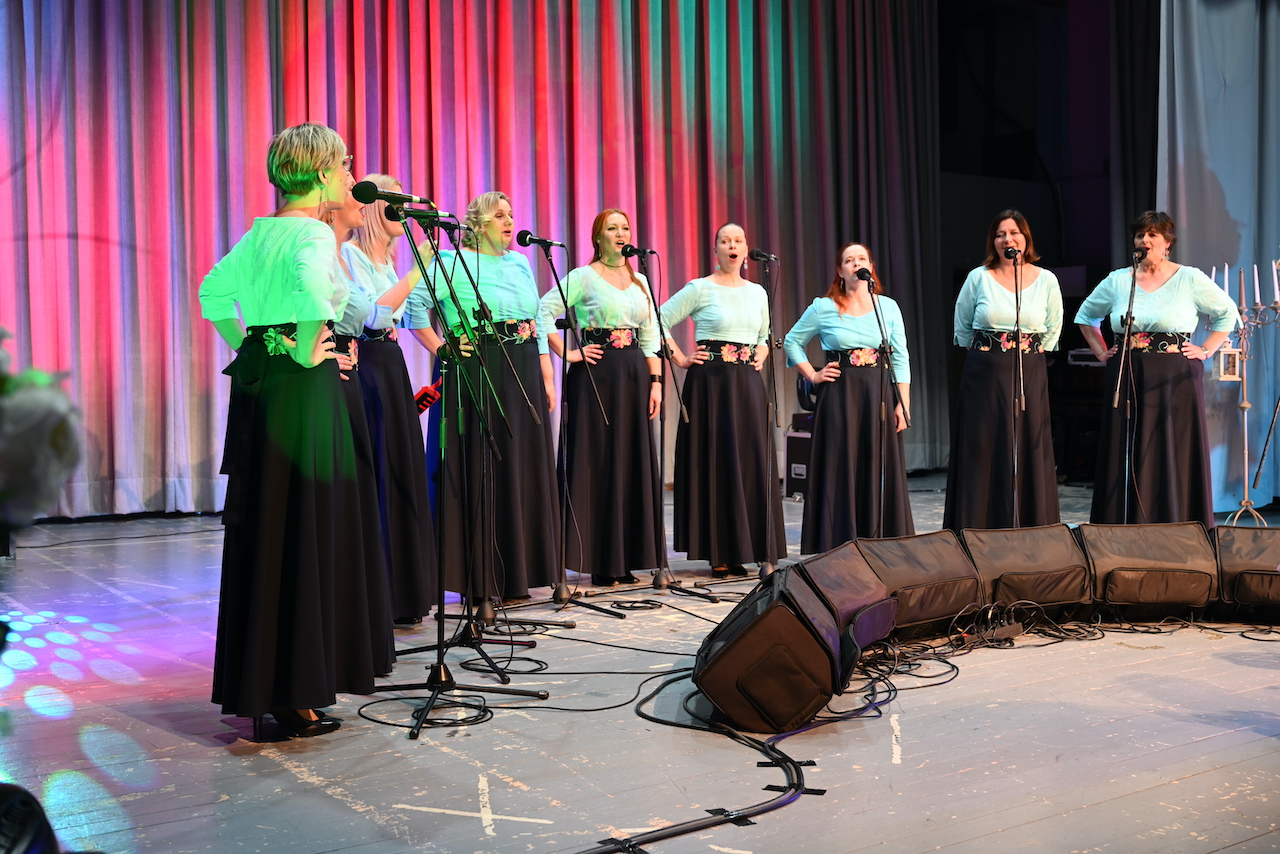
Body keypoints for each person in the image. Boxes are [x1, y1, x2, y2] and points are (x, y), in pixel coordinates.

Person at [198, 122, 392, 738]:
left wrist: (254, 344)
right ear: (321, 172)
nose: (349, 175)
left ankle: (273, 684)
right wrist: (308, 348)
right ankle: (297, 689)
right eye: (344, 165)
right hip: (304, 394)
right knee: (306, 524)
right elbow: (311, 293)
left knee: (271, 526)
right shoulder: (311, 232)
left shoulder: (260, 232)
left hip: (263, 388)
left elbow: (211, 293)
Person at [401, 191, 559, 603]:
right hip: (477, 366)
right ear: (477, 224)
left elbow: (537, 321)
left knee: (519, 465)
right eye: (499, 215)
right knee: (481, 466)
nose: (509, 222)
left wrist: (546, 372)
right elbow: (413, 309)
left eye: (511, 214)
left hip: (523, 367)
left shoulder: (520, 263)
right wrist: (441, 348)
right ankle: (481, 577)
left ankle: (518, 573)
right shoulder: (450, 261)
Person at [1075, 210, 1239, 527]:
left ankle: (1175, 521)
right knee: (1127, 446)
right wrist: (1101, 351)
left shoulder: (1188, 278)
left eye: (1152, 235)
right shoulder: (1119, 281)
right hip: (1128, 371)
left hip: (1174, 376)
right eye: (1140, 235)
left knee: (1171, 448)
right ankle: (1122, 524)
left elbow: (1226, 313)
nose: (1145, 240)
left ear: (1167, 244)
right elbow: (1086, 316)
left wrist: (1206, 349)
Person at [537, 209, 664, 586]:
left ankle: (626, 559)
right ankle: (599, 562)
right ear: (598, 237)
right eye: (612, 228)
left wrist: (656, 382)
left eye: (625, 227)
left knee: (629, 462)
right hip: (596, 377)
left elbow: (650, 335)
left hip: (634, 376)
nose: (621, 233)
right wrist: (567, 353)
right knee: (600, 462)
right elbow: (543, 311)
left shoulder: (641, 281)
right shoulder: (583, 277)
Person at [659, 222, 786, 577]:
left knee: (749, 461)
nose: (732, 245)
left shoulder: (757, 292)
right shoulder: (699, 288)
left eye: (738, 240)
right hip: (710, 386)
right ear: (715, 250)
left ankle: (748, 547)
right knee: (716, 461)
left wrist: (762, 350)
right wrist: (680, 358)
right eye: (725, 240)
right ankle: (718, 549)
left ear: (746, 250)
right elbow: (658, 320)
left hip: (747, 385)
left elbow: (765, 334)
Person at [342, 173, 439, 625]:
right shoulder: (350, 254)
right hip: (366, 365)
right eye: (391, 200)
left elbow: (400, 316)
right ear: (371, 208)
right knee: (379, 470)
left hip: (390, 361)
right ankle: (378, 592)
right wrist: (419, 269)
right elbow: (375, 314)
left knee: (401, 469)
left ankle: (405, 591)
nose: (400, 209)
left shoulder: (387, 261)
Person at [784, 242, 913, 551]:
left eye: (862, 259)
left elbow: (900, 357)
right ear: (840, 271)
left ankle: (880, 543)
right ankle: (838, 543)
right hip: (840, 396)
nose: (856, 264)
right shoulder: (823, 307)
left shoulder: (887, 307)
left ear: (870, 267)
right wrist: (813, 375)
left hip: (877, 394)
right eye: (849, 260)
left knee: (876, 463)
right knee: (840, 465)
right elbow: (791, 342)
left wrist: (903, 403)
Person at [944, 210, 1063, 532]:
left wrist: (1028, 353)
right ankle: (978, 524)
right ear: (993, 242)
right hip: (985, 372)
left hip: (1029, 370)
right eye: (1000, 234)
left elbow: (1053, 328)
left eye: (1013, 233)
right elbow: (962, 327)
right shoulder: (978, 278)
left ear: (1025, 239)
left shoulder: (1046, 280)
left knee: (1028, 441)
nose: (1007, 239)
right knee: (983, 444)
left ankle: (1029, 523)